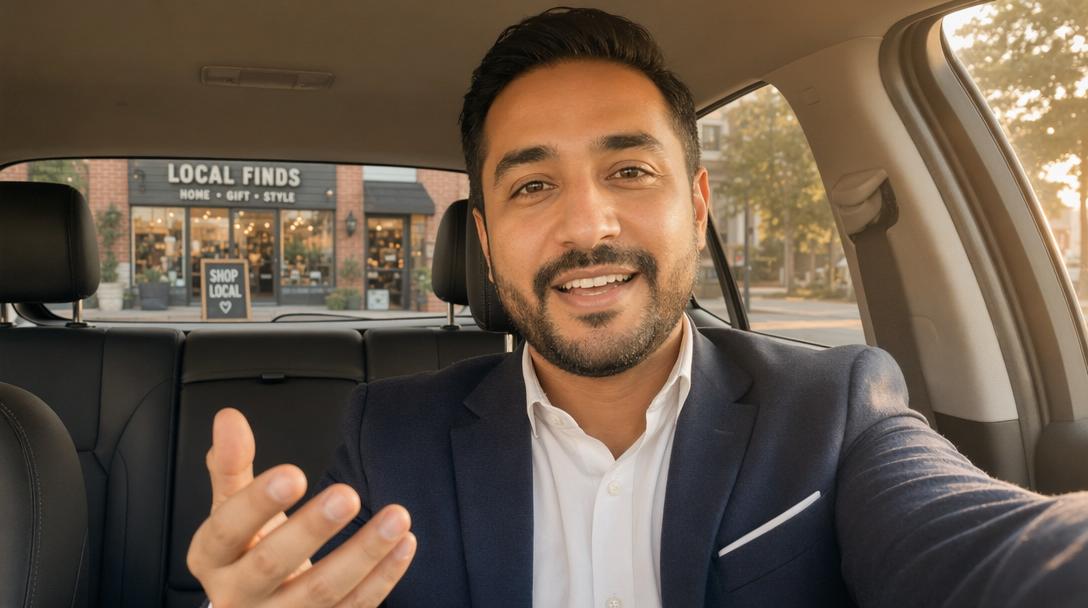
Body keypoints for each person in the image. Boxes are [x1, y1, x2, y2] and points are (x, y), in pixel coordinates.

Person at [186, 8, 1088, 608]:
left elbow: (994, 550)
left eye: (629, 171)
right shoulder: (389, 431)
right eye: (533, 184)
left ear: (695, 206)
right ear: (489, 240)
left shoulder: (837, 409)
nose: (588, 224)